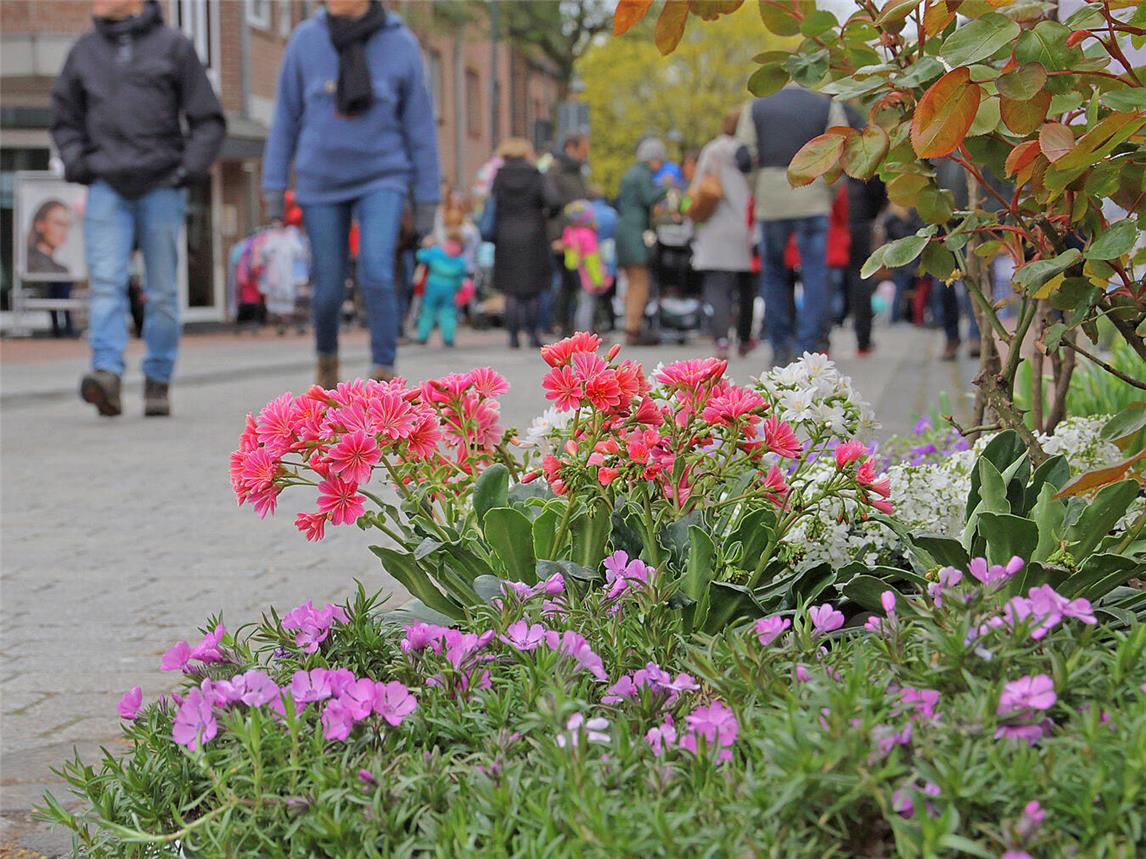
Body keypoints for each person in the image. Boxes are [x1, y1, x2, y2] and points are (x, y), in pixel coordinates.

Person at [51, 0, 225, 417]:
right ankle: (107, 374)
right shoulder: (83, 52)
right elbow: (64, 118)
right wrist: (80, 163)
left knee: (162, 292)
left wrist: (187, 170)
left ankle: (158, 377)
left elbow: (208, 119)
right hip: (107, 186)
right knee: (107, 283)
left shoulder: (174, 46)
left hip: (162, 185)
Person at [263, 0, 440, 388]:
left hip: (383, 174)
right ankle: (326, 361)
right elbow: (284, 120)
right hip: (320, 181)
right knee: (327, 286)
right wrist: (273, 185)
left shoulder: (400, 43)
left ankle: (383, 371)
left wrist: (427, 200)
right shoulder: (305, 41)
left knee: (377, 270)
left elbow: (421, 129)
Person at [736, 86, 845, 364]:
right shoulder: (826, 106)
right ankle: (809, 344)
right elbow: (840, 153)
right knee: (814, 273)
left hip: (771, 198)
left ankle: (779, 345)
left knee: (772, 273)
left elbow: (745, 156)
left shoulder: (756, 107)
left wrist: (758, 191)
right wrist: (828, 193)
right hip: (813, 194)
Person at [691, 109, 754, 360]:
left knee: (717, 287)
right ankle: (745, 338)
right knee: (746, 286)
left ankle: (720, 339)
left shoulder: (713, 151)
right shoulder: (750, 153)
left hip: (716, 228)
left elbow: (697, 187)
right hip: (746, 225)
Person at [489, 138, 561, 349]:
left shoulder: (499, 176)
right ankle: (533, 335)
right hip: (533, 234)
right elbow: (554, 201)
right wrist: (545, 215)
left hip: (506, 235)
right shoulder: (536, 174)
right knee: (533, 288)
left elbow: (492, 204)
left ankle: (512, 337)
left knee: (511, 290)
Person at [615, 138, 669, 346]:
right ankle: (633, 327)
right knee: (640, 281)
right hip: (636, 232)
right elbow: (649, 198)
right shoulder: (643, 174)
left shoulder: (630, 173)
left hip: (625, 229)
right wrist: (666, 187)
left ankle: (630, 323)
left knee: (631, 279)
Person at [548, 133, 591, 337]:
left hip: (579, 237)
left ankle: (571, 326)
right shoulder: (556, 172)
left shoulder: (576, 172)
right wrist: (556, 237)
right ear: (570, 148)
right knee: (567, 282)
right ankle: (561, 324)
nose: (586, 154)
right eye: (583, 149)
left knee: (574, 282)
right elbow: (553, 208)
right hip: (564, 238)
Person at [26, 200, 78, 338]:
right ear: (40, 225)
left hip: (59, 284)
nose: (63, 231)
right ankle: (62, 329)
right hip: (47, 285)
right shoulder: (30, 262)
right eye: (58, 223)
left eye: (66, 225)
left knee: (64, 296)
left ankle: (66, 328)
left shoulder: (62, 267)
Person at [562, 200, 611, 334]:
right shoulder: (587, 235)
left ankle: (579, 331)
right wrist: (598, 280)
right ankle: (585, 333)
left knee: (581, 304)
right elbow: (592, 260)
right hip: (588, 276)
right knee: (588, 305)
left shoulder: (570, 232)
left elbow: (570, 260)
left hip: (576, 274)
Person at [414, 228, 467, 347]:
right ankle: (448, 339)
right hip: (449, 289)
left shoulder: (436, 252)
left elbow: (421, 256)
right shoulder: (460, 260)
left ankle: (422, 337)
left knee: (427, 312)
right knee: (448, 314)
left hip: (433, 286)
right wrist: (458, 289)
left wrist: (426, 246)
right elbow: (460, 279)